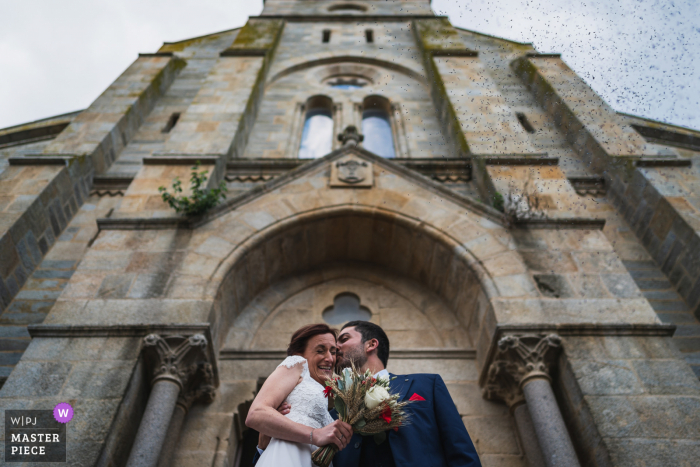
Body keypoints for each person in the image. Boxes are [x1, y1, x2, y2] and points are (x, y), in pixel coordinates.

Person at [255, 320, 481, 467]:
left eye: (342, 340)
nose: (335, 350)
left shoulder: (426, 385)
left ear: (371, 344)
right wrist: (264, 442)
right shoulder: (330, 419)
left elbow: (461, 451)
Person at [246, 323, 353, 467]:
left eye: (333, 352)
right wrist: (314, 434)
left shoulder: (324, 396)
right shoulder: (297, 364)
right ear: (300, 354)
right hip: (289, 456)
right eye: (320, 351)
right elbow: (256, 413)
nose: (330, 358)